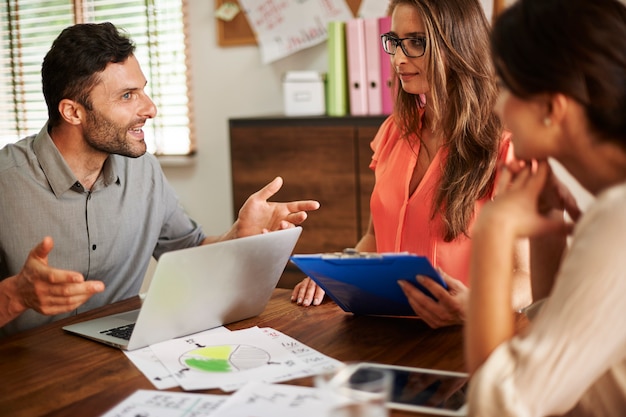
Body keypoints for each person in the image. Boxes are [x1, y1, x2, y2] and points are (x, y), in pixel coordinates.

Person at [0, 22, 320, 338]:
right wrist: (15, 296)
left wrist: (240, 233)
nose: (150, 108)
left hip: (117, 362)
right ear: (72, 112)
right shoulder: (6, 183)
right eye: (127, 96)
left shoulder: (143, 171)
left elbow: (188, 252)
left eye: (143, 90)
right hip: (23, 371)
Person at [292, 0, 532, 328]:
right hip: (387, 332)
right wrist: (334, 274)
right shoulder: (393, 132)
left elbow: (527, 277)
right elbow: (376, 239)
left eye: (417, 42)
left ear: (457, 44)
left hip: (466, 339)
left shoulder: (506, 147)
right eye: (395, 42)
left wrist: (474, 304)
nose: (400, 59)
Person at [465, 0, 626, 415]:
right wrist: (549, 229)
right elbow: (560, 344)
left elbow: (499, 404)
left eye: (505, 87)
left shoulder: (619, 217)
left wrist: (494, 231)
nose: (497, 107)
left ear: (553, 108)